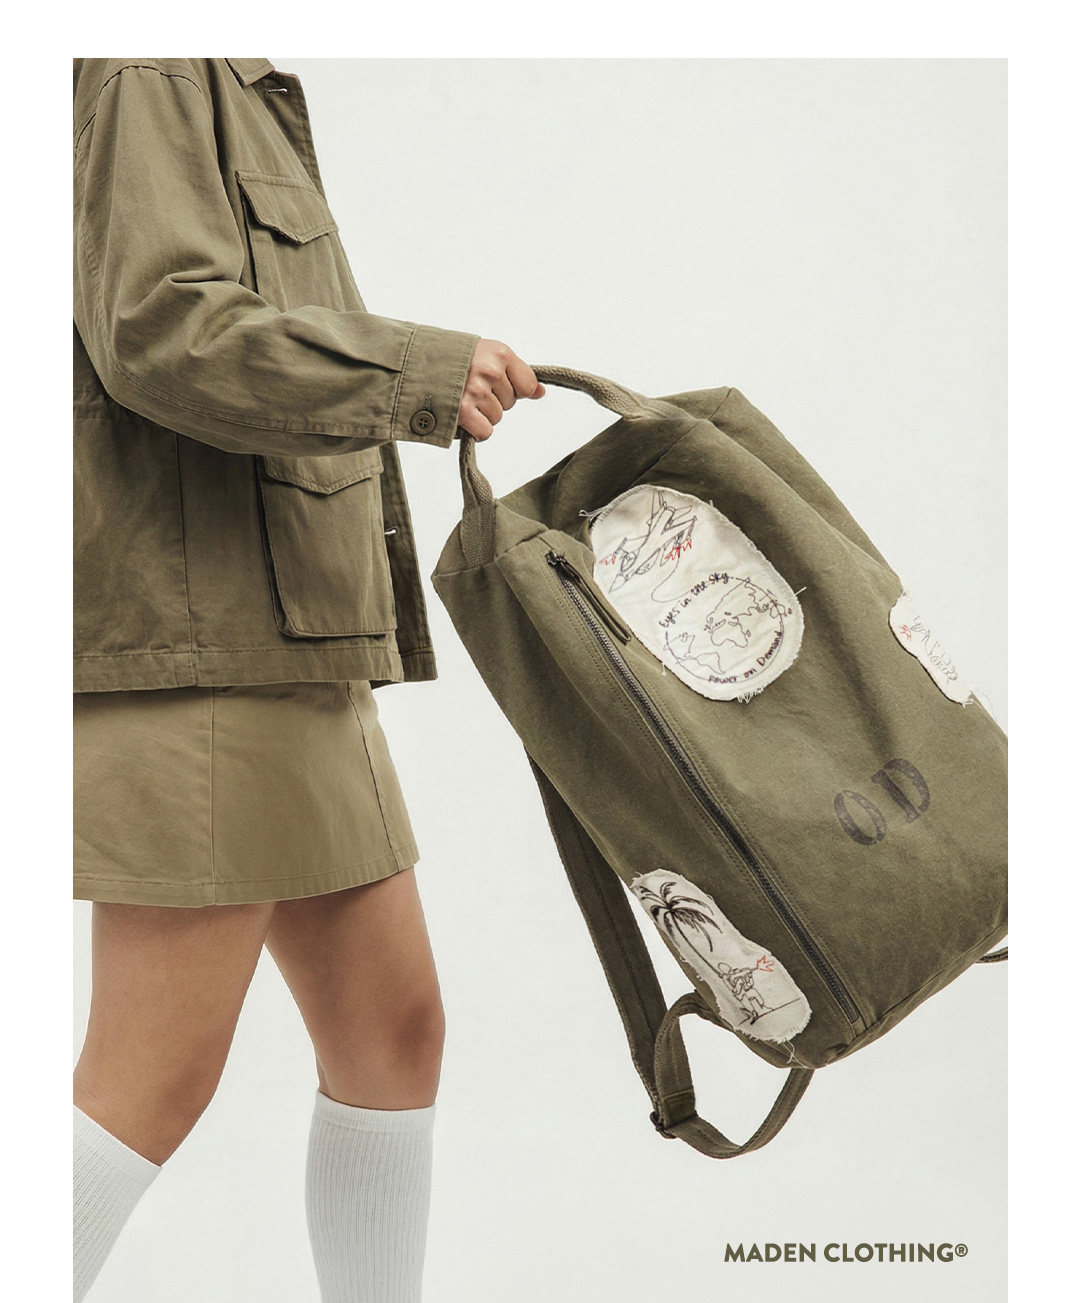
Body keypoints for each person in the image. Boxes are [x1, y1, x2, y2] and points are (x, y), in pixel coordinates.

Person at [73, 57, 544, 1302]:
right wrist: (415, 374)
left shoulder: (232, 74)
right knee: (145, 1085)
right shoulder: (148, 60)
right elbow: (160, 328)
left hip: (291, 643)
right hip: (203, 646)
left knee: (394, 1036)